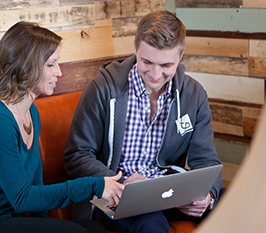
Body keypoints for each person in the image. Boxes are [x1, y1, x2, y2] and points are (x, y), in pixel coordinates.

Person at [0, 21, 124, 233]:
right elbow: (22, 198)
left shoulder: (31, 113)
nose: (59, 73)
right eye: (51, 64)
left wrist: (49, 225)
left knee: (94, 228)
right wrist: (95, 185)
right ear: (27, 66)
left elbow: (35, 187)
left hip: (6, 218)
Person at [63, 10, 223, 233]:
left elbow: (206, 160)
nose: (156, 74)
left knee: (236, 200)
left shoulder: (193, 95)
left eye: (166, 65)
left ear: (181, 55)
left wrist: (208, 195)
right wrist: (116, 181)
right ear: (135, 48)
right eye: (147, 62)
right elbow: (76, 156)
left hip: (168, 193)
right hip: (114, 195)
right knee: (150, 222)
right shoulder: (103, 88)